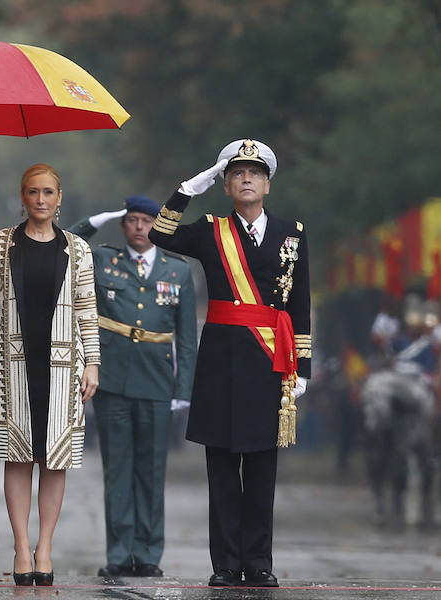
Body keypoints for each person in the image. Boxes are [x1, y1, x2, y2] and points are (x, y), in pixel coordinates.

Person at [148, 139, 310, 588]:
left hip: (269, 360)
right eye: (236, 173)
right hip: (220, 360)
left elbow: (300, 303)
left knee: (261, 468)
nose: (246, 179)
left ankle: (258, 561)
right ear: (224, 184)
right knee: (221, 468)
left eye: (254, 173)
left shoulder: (291, 234)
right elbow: (159, 235)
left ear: (267, 185)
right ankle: (224, 564)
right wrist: (185, 191)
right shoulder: (209, 230)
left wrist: (304, 369)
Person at [0, 164, 100, 587]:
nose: (40, 199)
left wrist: (93, 363)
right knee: (19, 457)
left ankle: (45, 547)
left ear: (59, 198)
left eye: (47, 192)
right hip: (14, 364)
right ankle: (22, 547)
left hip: (63, 367)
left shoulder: (78, 249)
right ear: (21, 197)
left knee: (54, 460)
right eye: (32, 192)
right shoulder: (1, 243)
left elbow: (87, 310)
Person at [67, 196, 197, 578]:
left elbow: (186, 339)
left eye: (147, 221)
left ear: (157, 227)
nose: (140, 227)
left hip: (158, 381)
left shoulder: (179, 270)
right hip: (111, 380)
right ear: (123, 226)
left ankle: (149, 553)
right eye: (132, 220)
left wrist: (182, 390)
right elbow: (66, 244)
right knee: (117, 470)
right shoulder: (104, 260)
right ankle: (120, 554)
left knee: (152, 471)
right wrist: (95, 218)